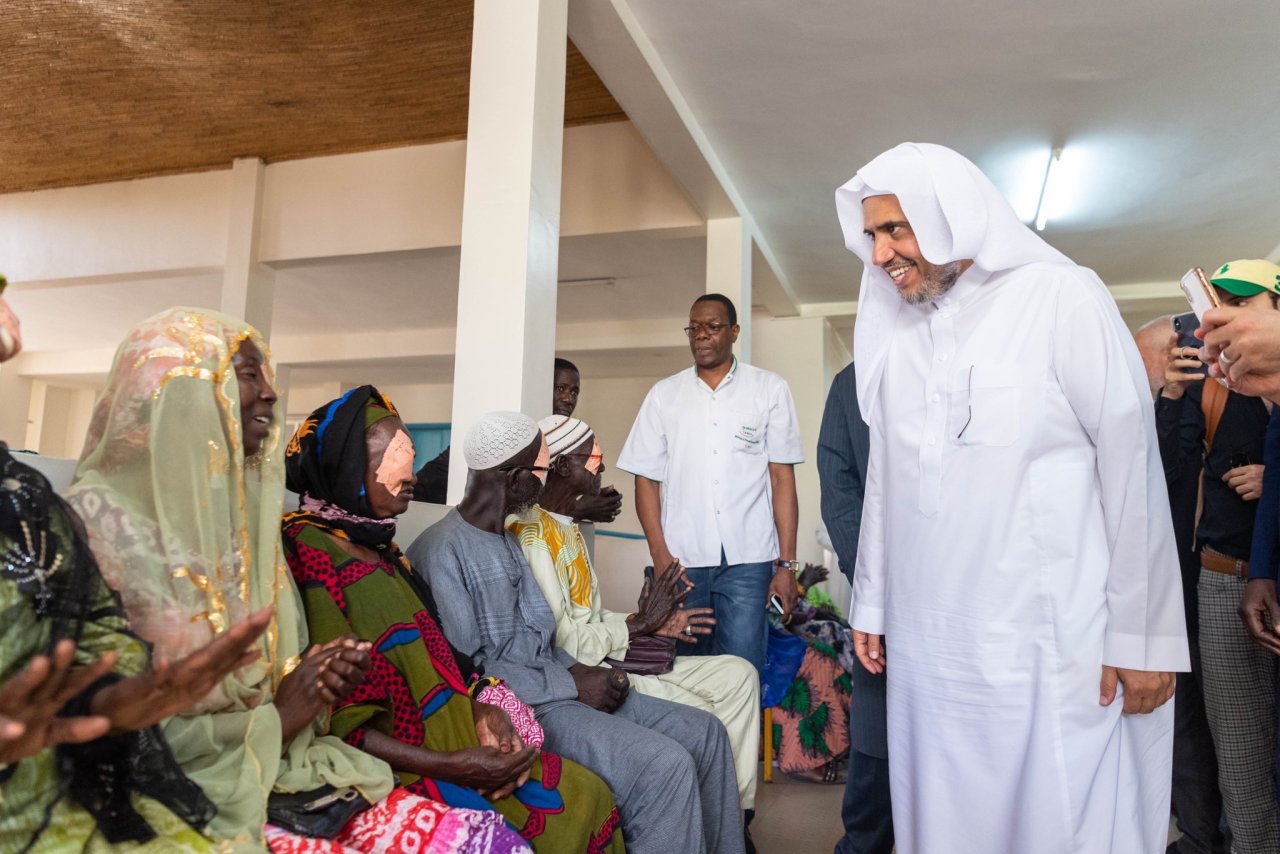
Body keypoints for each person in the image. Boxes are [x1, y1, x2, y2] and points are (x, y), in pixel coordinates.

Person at [833, 143, 1188, 853]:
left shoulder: (1060, 296)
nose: (880, 254)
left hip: (1052, 642)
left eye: (895, 229)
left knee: (1061, 819)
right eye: (871, 235)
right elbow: (888, 483)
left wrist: (1142, 637)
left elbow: (1131, 470)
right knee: (941, 818)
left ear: (952, 215)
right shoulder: (897, 332)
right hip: (931, 648)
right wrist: (870, 601)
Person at [66, 308, 524, 853]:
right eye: (248, 375)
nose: (271, 393)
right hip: (188, 788)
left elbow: (306, 682)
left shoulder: (243, 527)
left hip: (292, 758)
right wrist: (286, 713)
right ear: (180, 390)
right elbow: (99, 725)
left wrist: (321, 684)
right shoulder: (95, 525)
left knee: (498, 834)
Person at [281, 386, 623, 852]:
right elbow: (339, 718)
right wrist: (455, 765)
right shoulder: (310, 553)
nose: (412, 475)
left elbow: (446, 658)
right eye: (396, 458)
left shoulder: (385, 551)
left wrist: (484, 707)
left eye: (410, 458)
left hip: (456, 728)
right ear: (347, 466)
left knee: (590, 794)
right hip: (406, 757)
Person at [0, 287, 278, 851]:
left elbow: (98, 655)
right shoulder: (96, 514)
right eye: (248, 375)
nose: (13, 326)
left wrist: (124, 701)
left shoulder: (22, 498)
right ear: (183, 393)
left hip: (78, 787)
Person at [408, 411, 744, 854]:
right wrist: (571, 683)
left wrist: (591, 674)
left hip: (560, 687)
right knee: (666, 764)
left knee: (706, 732)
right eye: (541, 471)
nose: (545, 483)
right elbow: (471, 672)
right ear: (516, 478)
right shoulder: (441, 551)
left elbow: (543, 637)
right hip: (529, 707)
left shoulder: (508, 539)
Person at [509, 414, 760, 815]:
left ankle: (738, 813)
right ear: (564, 467)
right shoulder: (533, 536)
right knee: (707, 720)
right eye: (594, 457)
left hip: (614, 651)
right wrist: (638, 625)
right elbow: (564, 641)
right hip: (592, 668)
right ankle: (713, 817)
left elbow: (592, 617)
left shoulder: (568, 528)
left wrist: (648, 622)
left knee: (740, 674)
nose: (602, 466)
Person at [1158, 260, 1280, 853]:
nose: (1224, 315)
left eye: (1242, 302)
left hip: (1261, 574)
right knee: (1239, 758)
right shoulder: (1212, 384)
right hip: (1226, 578)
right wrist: (1172, 393)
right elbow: (1164, 472)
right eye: (1216, 303)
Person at [617, 294, 804, 676]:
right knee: (681, 672)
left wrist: (786, 565)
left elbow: (782, 478)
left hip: (749, 560)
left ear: (734, 332)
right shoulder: (664, 395)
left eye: (713, 327)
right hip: (681, 561)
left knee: (742, 673)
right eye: (694, 328)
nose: (702, 335)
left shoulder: (769, 389)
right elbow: (645, 479)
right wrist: (660, 556)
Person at [1144, 314, 1228, 854]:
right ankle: (1199, 837)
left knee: (1226, 726)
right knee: (1186, 719)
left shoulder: (1248, 394)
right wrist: (1171, 397)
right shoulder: (1177, 404)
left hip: (1222, 575)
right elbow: (1162, 469)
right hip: (1173, 579)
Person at [817, 361, 894, 854]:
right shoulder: (853, 381)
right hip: (886, 591)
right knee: (879, 733)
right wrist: (871, 582)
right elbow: (839, 489)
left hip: (980, 592)